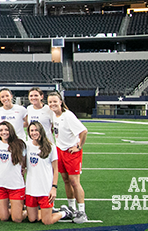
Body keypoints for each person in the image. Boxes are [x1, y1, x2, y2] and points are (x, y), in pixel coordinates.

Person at [48, 91, 88, 224]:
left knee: (74, 181)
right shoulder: (55, 115)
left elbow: (83, 131)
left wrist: (79, 146)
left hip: (71, 152)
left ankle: (81, 211)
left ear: (60, 101)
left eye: (55, 101)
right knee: (65, 180)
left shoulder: (68, 115)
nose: (52, 104)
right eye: (50, 102)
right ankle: (72, 207)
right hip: (60, 150)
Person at [25, 121, 73, 225]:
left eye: (36, 130)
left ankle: (64, 212)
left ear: (41, 131)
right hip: (31, 188)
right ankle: (45, 211)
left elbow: (55, 169)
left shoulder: (50, 147)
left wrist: (54, 188)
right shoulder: (27, 146)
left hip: (45, 189)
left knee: (47, 221)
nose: (34, 133)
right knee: (32, 219)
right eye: (31, 130)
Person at [0, 121, 26, 223]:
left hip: (15, 185)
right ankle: (16, 209)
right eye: (1, 130)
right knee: (3, 218)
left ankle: (28, 211)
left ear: (11, 130)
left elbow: (24, 162)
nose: (4, 132)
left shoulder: (20, 144)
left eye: (6, 129)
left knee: (17, 219)